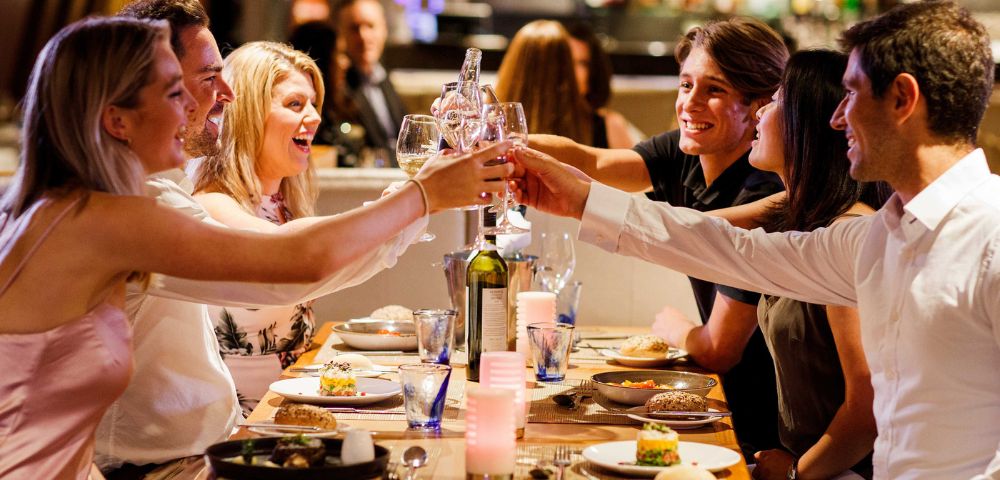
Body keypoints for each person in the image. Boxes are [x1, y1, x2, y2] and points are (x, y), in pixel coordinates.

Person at [0, 15, 511, 478]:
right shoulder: (111, 215)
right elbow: (291, 264)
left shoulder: (62, 204)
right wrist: (423, 194)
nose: (210, 101)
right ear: (118, 120)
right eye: (177, 91)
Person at [512, 1, 1000, 478]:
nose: (835, 118)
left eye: (851, 94)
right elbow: (728, 249)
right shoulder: (874, 237)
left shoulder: (990, 235)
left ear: (902, 99)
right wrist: (576, 199)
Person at [530, 17, 787, 455]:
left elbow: (721, 349)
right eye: (686, 85)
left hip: (763, 425)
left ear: (759, 107)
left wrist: (679, 330)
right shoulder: (686, 152)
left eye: (715, 90)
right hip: (723, 400)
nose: (691, 103)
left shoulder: (764, 188)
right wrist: (500, 145)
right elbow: (587, 159)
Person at [702, 50, 881, 480]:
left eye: (778, 99)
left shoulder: (846, 234)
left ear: (812, 121)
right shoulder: (797, 210)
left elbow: (867, 406)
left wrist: (795, 474)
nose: (760, 111)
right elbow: (695, 232)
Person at [189, 41, 332, 413]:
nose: (315, 117)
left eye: (314, 104)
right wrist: (411, 203)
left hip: (291, 403)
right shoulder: (213, 202)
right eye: (295, 104)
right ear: (250, 114)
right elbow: (296, 255)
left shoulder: (283, 202)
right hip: (238, 424)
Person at [494, 20, 600, 147]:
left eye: (583, 63)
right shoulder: (605, 127)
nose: (578, 72)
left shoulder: (485, 127)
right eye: (572, 62)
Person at [336, 0, 407, 165]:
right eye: (355, 28)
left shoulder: (383, 78)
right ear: (342, 34)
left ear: (384, 30)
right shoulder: (338, 87)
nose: (363, 36)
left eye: (370, 26)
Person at [564, 22, 640, 148]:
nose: (573, 71)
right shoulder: (528, 122)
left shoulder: (611, 127)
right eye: (567, 62)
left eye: (582, 63)